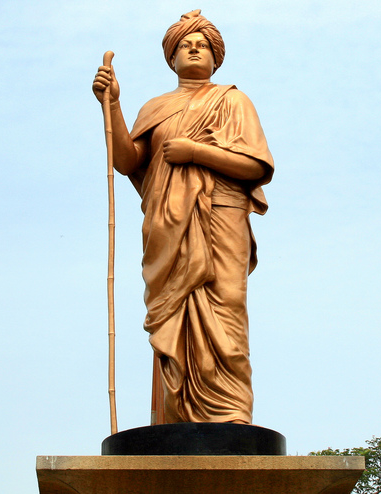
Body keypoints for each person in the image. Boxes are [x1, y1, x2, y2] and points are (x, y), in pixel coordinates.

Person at [91, 10, 273, 425]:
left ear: (216, 57)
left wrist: (196, 152)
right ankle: (175, 414)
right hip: (167, 222)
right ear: (172, 58)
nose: (194, 49)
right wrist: (114, 105)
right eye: (184, 45)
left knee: (226, 307)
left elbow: (255, 166)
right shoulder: (155, 107)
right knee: (176, 314)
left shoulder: (232, 100)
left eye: (202, 44)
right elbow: (127, 160)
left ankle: (231, 414)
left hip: (222, 214)